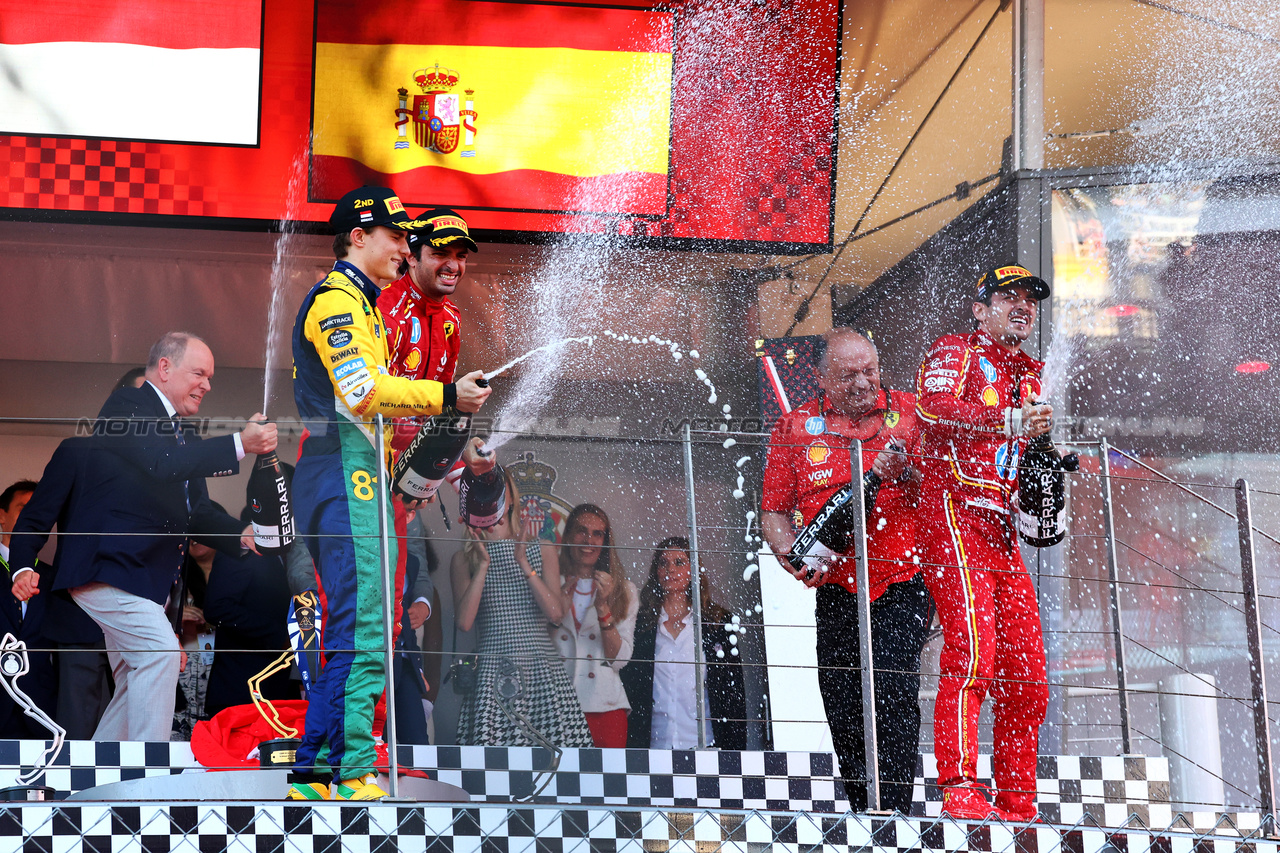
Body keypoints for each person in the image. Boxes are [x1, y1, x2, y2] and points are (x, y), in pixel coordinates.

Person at [287, 185, 490, 801]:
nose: (406, 248)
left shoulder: (364, 303)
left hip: (359, 474)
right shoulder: (338, 302)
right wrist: (448, 397)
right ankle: (351, 769)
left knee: (356, 629)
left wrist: (422, 467)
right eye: (397, 237)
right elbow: (363, 394)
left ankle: (314, 772)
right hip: (343, 474)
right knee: (367, 627)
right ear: (358, 237)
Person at [10, 332, 278, 743]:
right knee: (162, 655)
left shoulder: (185, 438)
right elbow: (161, 461)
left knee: (138, 676)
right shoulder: (128, 406)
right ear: (165, 368)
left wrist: (241, 534)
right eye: (199, 374)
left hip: (146, 585)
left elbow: (198, 513)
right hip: (108, 572)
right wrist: (240, 443)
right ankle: (147, 784)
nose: (207, 385)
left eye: (210, 377)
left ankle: (96, 780)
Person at [761, 328, 930, 814]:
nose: (862, 383)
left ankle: (894, 813)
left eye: (870, 371)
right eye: (849, 374)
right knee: (842, 699)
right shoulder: (794, 428)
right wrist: (791, 554)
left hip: (901, 583)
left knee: (894, 693)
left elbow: (941, 488)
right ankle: (863, 811)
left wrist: (911, 471)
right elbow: (773, 511)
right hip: (834, 588)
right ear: (821, 378)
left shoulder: (911, 413)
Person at [913, 264, 1056, 821]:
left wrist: (1043, 498)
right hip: (951, 511)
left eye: (1030, 299)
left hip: (1000, 531)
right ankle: (961, 790)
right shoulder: (956, 349)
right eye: (1007, 296)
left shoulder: (1032, 376)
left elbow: (1020, 462)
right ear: (980, 309)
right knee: (973, 655)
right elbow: (933, 410)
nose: (1022, 305)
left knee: (1029, 676)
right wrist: (1010, 420)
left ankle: (1019, 802)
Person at [452, 467, 592, 748]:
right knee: (491, 774)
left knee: (556, 769)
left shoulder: (541, 547)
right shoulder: (462, 558)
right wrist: (482, 567)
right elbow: (464, 623)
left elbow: (555, 614)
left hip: (541, 670)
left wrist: (524, 564)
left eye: (494, 493)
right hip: (492, 670)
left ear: (509, 498)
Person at [621, 537, 747, 750]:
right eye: (663, 563)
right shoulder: (641, 624)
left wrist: (734, 755)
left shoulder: (717, 623)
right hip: (653, 749)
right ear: (656, 572)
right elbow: (631, 689)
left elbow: (734, 696)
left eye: (679, 562)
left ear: (694, 570)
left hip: (705, 748)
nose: (670, 569)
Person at [551, 504, 638, 748]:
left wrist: (603, 607)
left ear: (606, 542)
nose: (588, 540)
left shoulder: (624, 590)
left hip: (605, 707)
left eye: (597, 533)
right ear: (567, 535)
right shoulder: (550, 583)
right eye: (581, 531)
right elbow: (535, 649)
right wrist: (556, 610)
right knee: (558, 784)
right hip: (556, 706)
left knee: (607, 785)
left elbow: (619, 660)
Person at [0, 480, 58, 738]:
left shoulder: (57, 579)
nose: (31, 515)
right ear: (1, 516)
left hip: (40, 708)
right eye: (23, 507)